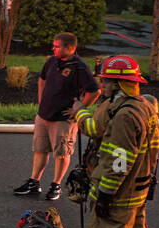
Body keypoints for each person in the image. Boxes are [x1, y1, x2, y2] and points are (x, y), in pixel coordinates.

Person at [66, 55, 159, 228]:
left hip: (118, 196)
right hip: (136, 194)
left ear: (119, 84)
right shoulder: (143, 106)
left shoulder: (124, 118)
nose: (103, 85)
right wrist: (81, 113)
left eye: (107, 81)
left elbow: (119, 164)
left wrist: (105, 197)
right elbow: (97, 127)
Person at [14, 32, 100, 200]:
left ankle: (56, 185)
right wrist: (41, 102)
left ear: (70, 48)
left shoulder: (79, 67)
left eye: (57, 46)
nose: (53, 48)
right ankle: (34, 182)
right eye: (53, 45)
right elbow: (42, 79)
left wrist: (79, 109)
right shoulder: (52, 61)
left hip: (63, 120)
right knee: (40, 150)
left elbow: (95, 90)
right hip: (44, 116)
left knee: (61, 153)